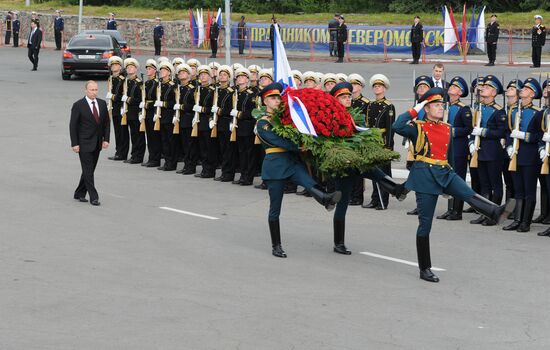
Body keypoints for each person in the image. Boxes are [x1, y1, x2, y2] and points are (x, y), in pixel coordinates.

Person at [392, 88, 514, 282]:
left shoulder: (447, 127)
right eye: (436, 105)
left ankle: (495, 212)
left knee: (467, 193)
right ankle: (425, 268)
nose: (441, 108)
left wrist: (450, 183)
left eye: (442, 105)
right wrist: (416, 109)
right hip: (425, 177)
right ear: (427, 107)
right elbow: (396, 126)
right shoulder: (418, 126)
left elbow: (449, 156)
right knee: (425, 225)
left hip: (446, 173)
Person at [256, 82, 343, 258]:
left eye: (278, 97)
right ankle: (276, 245)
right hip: (275, 165)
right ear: (265, 101)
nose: (277, 101)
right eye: (272, 98)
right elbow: (277, 141)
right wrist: (299, 145)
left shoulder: (286, 118)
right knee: (275, 208)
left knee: (309, 182)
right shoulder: (263, 123)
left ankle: (325, 199)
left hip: (292, 162)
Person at [330, 82, 409, 255]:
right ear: (336, 100)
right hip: (343, 165)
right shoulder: (332, 118)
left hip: (357, 161)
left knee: (375, 171)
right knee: (342, 205)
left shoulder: (354, 114)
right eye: (344, 97)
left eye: (349, 96)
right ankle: (338, 242)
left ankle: (396, 189)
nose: (348, 99)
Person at [503, 78, 543, 232]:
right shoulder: (514, 111)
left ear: (532, 94)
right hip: (515, 155)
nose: (522, 90)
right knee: (518, 189)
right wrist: (509, 146)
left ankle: (526, 222)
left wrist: (523, 136)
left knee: (528, 190)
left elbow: (539, 136)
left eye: (526, 89)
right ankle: (517, 219)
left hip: (529, 156)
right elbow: (508, 131)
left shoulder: (537, 113)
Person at [469, 75, 507, 226]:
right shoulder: (479, 108)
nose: (483, 88)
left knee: (495, 184)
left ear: (494, 92)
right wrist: (472, 141)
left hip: (493, 152)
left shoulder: (498, 111)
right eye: (483, 86)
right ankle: (484, 213)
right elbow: (473, 129)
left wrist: (483, 132)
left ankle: (494, 215)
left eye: (487, 87)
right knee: (483, 184)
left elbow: (501, 132)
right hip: (480, 151)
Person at [436, 77, 473, 220]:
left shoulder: (464, 109)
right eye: (451, 85)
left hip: (458, 149)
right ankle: (450, 209)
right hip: (446, 149)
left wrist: (452, 131)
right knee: (449, 179)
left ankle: (457, 211)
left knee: (458, 180)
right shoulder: (445, 106)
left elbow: (468, 128)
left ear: (460, 92)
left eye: (455, 87)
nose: (451, 88)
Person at [70, 81, 110, 206]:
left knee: (89, 169)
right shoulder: (78, 105)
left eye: (96, 90)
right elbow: (73, 126)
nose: (94, 92)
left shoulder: (102, 104)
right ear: (86, 90)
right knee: (88, 170)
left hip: (97, 142)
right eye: (92, 90)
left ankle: (79, 193)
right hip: (84, 143)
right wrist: (75, 143)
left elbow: (106, 124)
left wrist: (106, 139)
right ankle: (94, 196)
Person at [362, 74, 396, 210]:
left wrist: (388, 146)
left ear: (385, 89)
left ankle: (383, 201)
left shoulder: (389, 106)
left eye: (380, 86)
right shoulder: (370, 105)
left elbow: (390, 128)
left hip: (382, 142)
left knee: (384, 172)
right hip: (372, 141)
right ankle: (374, 199)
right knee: (374, 171)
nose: (377, 88)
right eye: (375, 86)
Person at [232, 68, 258, 186]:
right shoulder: (235, 93)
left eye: (243, 77)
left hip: (248, 127)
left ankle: (249, 177)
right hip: (237, 127)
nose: (240, 79)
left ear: (247, 80)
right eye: (238, 77)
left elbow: (252, 112)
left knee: (249, 153)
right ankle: (243, 175)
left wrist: (238, 114)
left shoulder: (252, 95)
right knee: (241, 152)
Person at [213, 65, 238, 182]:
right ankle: (224, 172)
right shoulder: (217, 90)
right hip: (218, 124)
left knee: (229, 151)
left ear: (229, 78)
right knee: (222, 149)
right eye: (221, 74)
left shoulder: (232, 92)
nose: (222, 77)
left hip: (227, 123)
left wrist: (219, 111)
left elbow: (231, 109)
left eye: (224, 75)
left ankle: (229, 174)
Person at [122, 58, 145, 164]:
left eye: (132, 67)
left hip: (136, 112)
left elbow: (140, 100)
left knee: (138, 135)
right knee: (133, 135)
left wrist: (128, 99)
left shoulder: (139, 83)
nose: (129, 69)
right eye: (128, 67)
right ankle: (133, 155)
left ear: (136, 69)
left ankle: (138, 156)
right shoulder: (127, 81)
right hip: (129, 113)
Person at [155, 61, 177, 171]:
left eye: (164, 71)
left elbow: (174, 103)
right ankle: (167, 162)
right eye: (161, 70)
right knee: (164, 140)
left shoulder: (173, 86)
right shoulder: (160, 85)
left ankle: (172, 163)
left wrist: (163, 104)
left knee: (170, 140)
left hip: (169, 116)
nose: (161, 72)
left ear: (169, 73)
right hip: (161, 116)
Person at [141, 59, 161, 167]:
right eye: (147, 69)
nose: (148, 71)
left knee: (155, 137)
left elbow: (156, 99)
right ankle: (151, 157)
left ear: (154, 70)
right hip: (147, 112)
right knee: (149, 136)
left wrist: (147, 104)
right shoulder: (147, 83)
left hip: (154, 112)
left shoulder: (157, 83)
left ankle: (156, 159)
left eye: (150, 69)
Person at [106, 56, 127, 161]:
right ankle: (118, 151)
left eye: (116, 65)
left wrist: (113, 97)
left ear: (120, 67)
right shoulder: (111, 78)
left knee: (122, 132)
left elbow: (123, 95)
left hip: (121, 109)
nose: (114, 67)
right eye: (112, 65)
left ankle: (123, 153)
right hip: (114, 109)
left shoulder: (123, 80)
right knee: (117, 132)